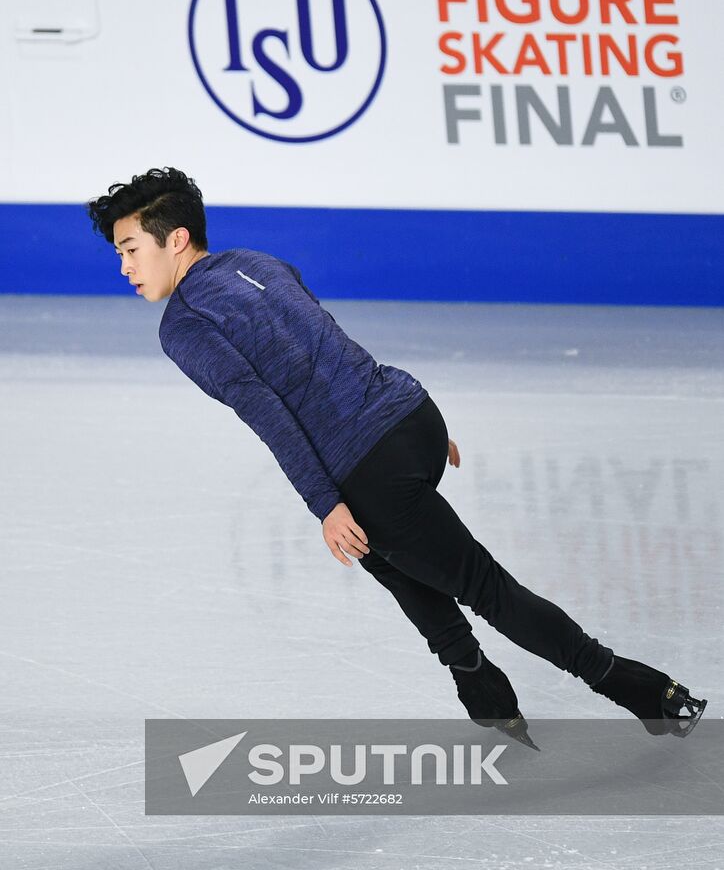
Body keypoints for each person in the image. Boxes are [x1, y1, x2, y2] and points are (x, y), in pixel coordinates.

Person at [86, 167, 707, 749]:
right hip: (412, 415)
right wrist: (413, 427)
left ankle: (639, 688)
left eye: (131, 249)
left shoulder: (185, 324)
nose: (124, 267)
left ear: (177, 240)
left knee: (478, 584)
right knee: (383, 549)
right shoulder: (256, 261)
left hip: (370, 459)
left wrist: (325, 504)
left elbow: (265, 410)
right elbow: (326, 336)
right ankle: (480, 686)